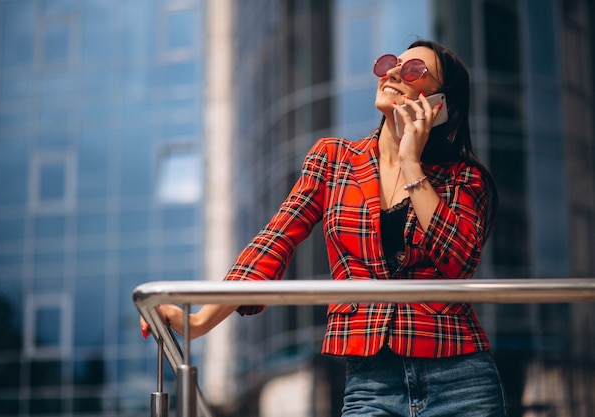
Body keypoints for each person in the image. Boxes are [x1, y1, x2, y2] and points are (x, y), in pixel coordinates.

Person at [141, 39, 507, 416]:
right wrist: (200, 320)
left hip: (460, 377)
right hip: (371, 383)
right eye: (390, 64)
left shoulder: (462, 178)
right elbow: (275, 241)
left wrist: (411, 163)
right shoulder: (333, 160)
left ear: (439, 104)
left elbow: (459, 260)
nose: (394, 72)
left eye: (415, 70)